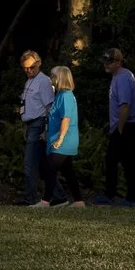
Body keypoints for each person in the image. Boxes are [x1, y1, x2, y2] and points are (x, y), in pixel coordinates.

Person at [41, 64, 85, 207]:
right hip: (59, 139)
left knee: (50, 170)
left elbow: (66, 118)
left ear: (61, 78)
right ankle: (78, 201)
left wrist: (60, 138)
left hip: (64, 140)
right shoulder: (60, 95)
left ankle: (45, 201)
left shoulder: (65, 96)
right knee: (68, 171)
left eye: (53, 76)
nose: (50, 79)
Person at [101, 48, 135, 205]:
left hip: (126, 125)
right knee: (118, 160)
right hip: (123, 125)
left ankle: (128, 197)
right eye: (105, 61)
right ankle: (114, 194)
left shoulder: (123, 77)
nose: (106, 65)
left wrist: (120, 129)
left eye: (109, 62)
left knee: (121, 161)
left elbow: (125, 106)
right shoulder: (118, 76)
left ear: (118, 62)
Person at [18, 51, 54, 205]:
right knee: (42, 163)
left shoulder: (44, 81)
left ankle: (30, 197)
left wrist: (46, 129)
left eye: (32, 67)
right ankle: (57, 195)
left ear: (38, 63)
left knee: (30, 162)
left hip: (39, 123)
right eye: (25, 68)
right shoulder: (29, 81)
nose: (29, 71)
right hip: (31, 123)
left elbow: (49, 106)